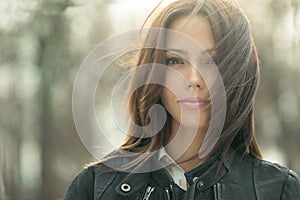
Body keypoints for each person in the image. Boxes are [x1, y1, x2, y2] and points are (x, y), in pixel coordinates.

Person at [64, 0, 300, 199]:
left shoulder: (278, 190)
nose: (194, 79)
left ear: (240, 72)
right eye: (175, 61)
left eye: (213, 61)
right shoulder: (94, 187)